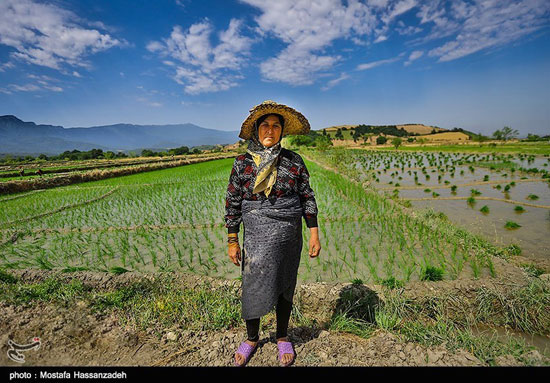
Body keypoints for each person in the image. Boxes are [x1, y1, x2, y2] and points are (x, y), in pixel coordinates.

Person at [225, 100, 321, 367]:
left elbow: (307, 197)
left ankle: (281, 336)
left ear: (282, 131)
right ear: (256, 130)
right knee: (253, 281)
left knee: (284, 282)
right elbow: (232, 202)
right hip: (255, 232)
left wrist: (314, 233)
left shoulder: (294, 161)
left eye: (275, 126)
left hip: (289, 231)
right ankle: (252, 337)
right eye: (265, 125)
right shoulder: (242, 163)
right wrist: (233, 240)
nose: (270, 130)